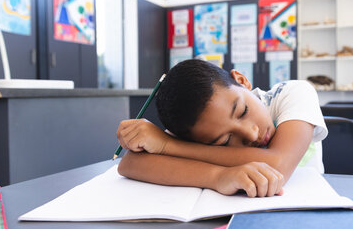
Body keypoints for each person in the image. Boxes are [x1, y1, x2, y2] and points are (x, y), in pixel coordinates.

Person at [116, 59, 327, 198]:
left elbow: (278, 165)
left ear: (242, 81)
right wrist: (218, 177)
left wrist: (168, 145)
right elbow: (130, 164)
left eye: (243, 111)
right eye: (224, 142)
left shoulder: (293, 93)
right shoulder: (201, 129)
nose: (251, 134)